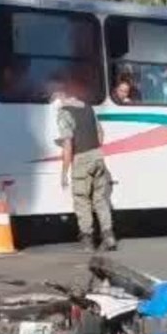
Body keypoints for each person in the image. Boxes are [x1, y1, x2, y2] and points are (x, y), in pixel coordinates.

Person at [53, 79, 117, 252]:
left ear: (61, 95)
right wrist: (93, 150)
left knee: (82, 200)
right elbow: (100, 133)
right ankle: (108, 236)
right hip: (98, 157)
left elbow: (68, 145)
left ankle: (88, 240)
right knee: (100, 199)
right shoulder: (88, 107)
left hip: (81, 159)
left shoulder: (64, 113)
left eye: (55, 96)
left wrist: (64, 172)